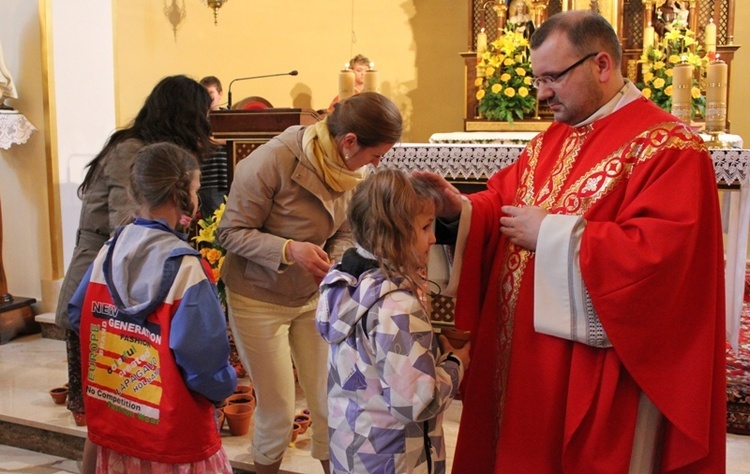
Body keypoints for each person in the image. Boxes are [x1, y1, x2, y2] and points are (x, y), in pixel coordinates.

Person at [417, 10, 726, 472]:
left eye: (552, 78)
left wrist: (551, 233)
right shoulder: (552, 140)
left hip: (588, 369)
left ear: (601, 65)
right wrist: (457, 209)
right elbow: (503, 202)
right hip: (521, 357)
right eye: (537, 79)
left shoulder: (669, 148)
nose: (541, 94)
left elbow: (662, 259)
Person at [217, 91, 402, 474]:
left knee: (328, 401)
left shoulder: (352, 169)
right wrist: (289, 250)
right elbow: (230, 233)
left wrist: (334, 260)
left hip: (311, 296)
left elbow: (347, 230)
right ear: (349, 141)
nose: (376, 163)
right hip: (258, 297)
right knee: (279, 409)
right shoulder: (272, 161)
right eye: (375, 154)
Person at [53, 74, 213, 471]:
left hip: (116, 283)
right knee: (105, 413)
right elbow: (132, 226)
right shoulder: (132, 151)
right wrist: (180, 263)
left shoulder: (135, 144)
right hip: (108, 286)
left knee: (114, 413)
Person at [67, 142, 237, 472]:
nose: (198, 197)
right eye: (196, 189)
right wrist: (223, 389)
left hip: (119, 423)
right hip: (173, 436)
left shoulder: (109, 250)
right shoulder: (187, 269)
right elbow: (204, 364)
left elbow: (79, 315)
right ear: (179, 196)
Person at [315, 168, 470, 473]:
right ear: (395, 235)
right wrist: (455, 365)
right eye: (425, 227)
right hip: (393, 458)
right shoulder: (397, 307)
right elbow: (415, 402)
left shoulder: (345, 283)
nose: (434, 237)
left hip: (352, 447)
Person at [199, 75, 229, 219]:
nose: (208, 98)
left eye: (211, 93)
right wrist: (224, 140)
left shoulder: (230, 117)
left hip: (229, 175)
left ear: (220, 94)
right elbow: (198, 142)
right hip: (209, 178)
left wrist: (214, 140)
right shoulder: (198, 119)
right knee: (213, 222)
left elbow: (237, 139)